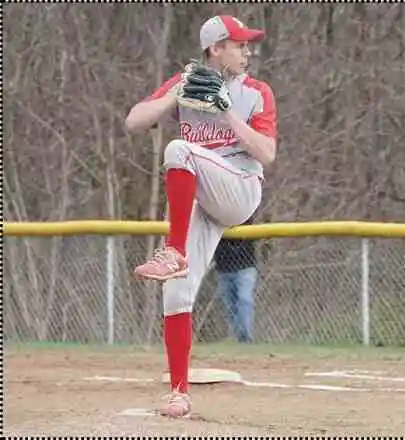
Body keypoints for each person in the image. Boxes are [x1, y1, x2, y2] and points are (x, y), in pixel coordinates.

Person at [124, 15, 276, 418]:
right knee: (175, 292)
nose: (247, 52)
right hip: (203, 197)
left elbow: (267, 154)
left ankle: (172, 250)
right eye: (239, 44)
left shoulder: (256, 92)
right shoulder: (187, 83)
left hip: (240, 189)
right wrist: (176, 96)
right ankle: (178, 393)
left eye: (246, 45)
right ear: (215, 49)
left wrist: (227, 114)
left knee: (179, 150)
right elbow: (134, 121)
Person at [213, 214, 258, 343]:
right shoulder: (214, 216)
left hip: (245, 267)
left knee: (245, 299)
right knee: (231, 306)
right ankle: (240, 339)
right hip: (224, 269)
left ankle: (246, 338)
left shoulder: (244, 212)